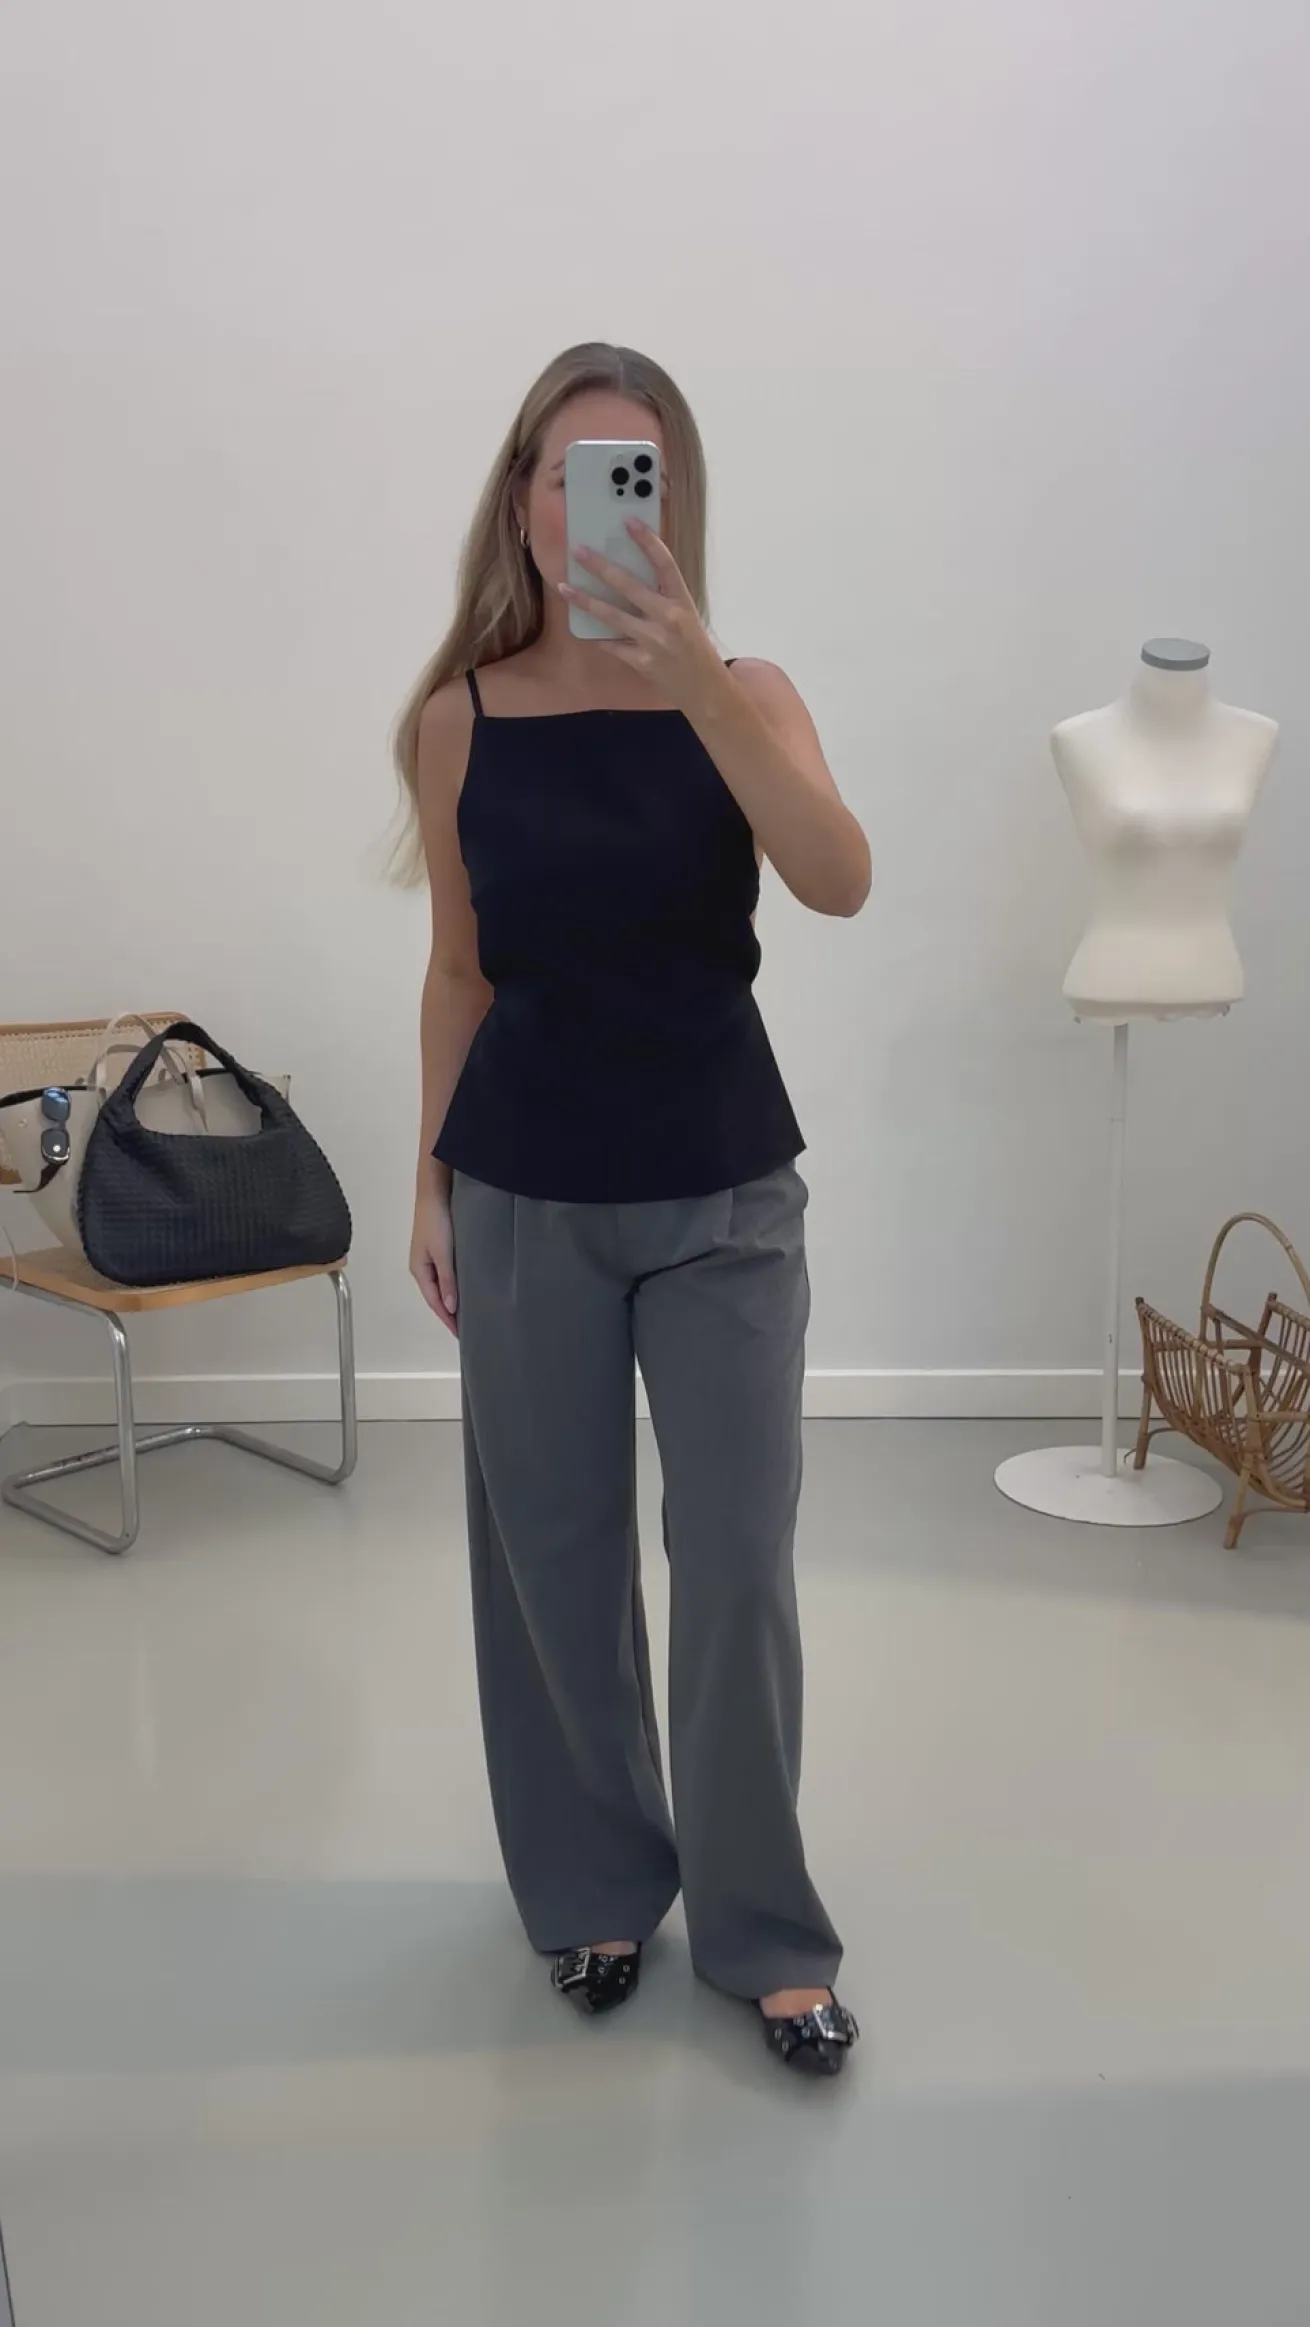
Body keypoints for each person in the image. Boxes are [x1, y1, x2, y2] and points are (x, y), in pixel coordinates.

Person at [393, 342, 872, 2077]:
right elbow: (458, 967)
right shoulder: (455, 717)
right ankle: (595, 1887)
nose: (596, 499)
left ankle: (765, 1933)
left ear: (668, 504)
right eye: (568, 469)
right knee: (553, 1556)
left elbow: (836, 878)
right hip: (523, 1187)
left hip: (723, 1186)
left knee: (734, 1560)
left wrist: (697, 692)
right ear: (522, 498)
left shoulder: (744, 687)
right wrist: (429, 1175)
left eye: (634, 473)